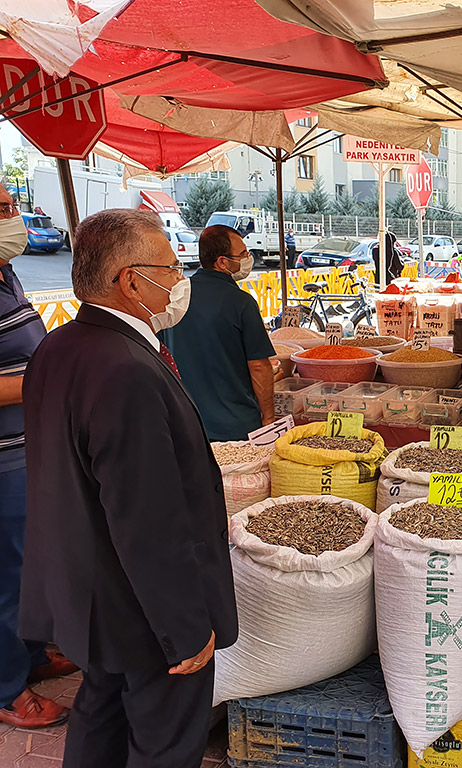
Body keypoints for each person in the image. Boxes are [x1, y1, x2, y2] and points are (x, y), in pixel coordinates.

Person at [20, 209, 238, 768]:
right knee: (164, 741)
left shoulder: (59, 346)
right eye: (169, 267)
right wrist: (184, 629)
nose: (179, 280)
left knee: (101, 715)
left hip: (91, 594)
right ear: (131, 280)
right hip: (143, 611)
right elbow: (148, 519)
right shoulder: (126, 369)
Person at [0, 186, 76, 729]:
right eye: (3, 210)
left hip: (28, 450)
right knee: (6, 576)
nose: (16, 218)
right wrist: (40, 379)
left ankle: (29, 655)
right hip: (1, 465)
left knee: (29, 567)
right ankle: (7, 690)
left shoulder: (7, 273)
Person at [161, 224, 276, 441]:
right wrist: (269, 417)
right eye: (242, 254)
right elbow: (259, 366)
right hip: (235, 424)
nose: (248, 258)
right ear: (222, 262)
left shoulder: (174, 297)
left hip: (186, 422)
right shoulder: (241, 303)